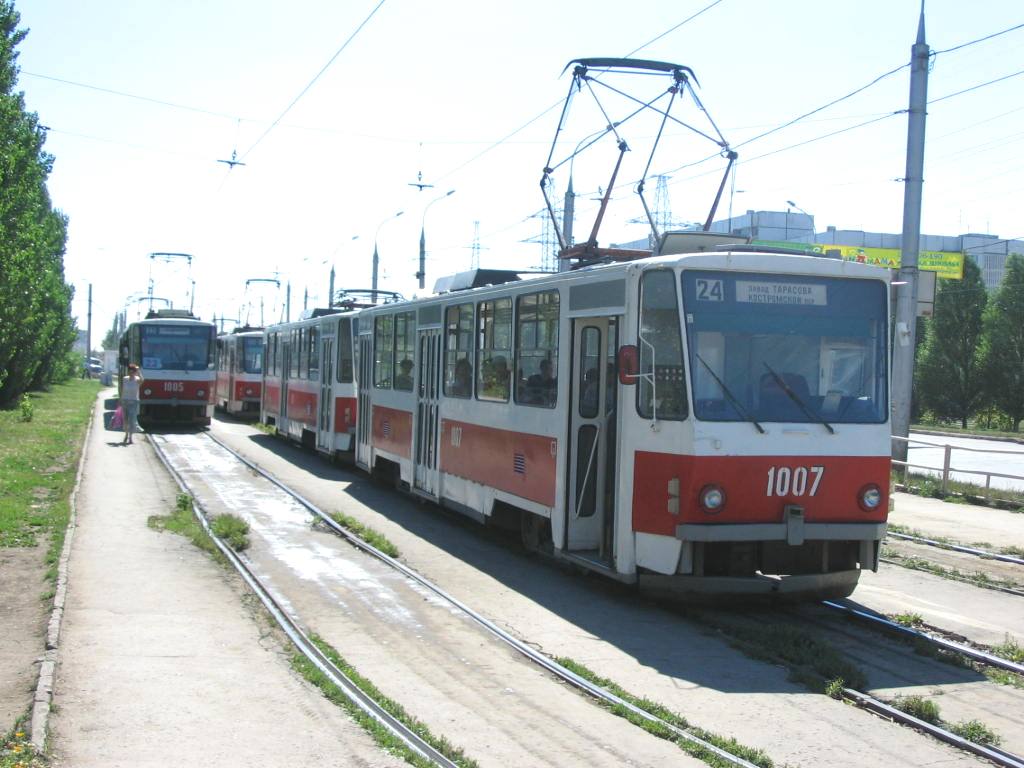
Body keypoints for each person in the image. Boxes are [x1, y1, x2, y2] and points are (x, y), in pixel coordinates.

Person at [120, 363, 144, 445]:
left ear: (135, 372)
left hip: (134, 402)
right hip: (125, 401)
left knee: (132, 420)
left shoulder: (137, 379)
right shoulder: (125, 379)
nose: (131, 373)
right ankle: (126, 434)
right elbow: (122, 389)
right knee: (125, 420)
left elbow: (142, 380)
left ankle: (130, 437)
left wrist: (138, 371)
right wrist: (120, 399)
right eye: (129, 371)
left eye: (132, 371)